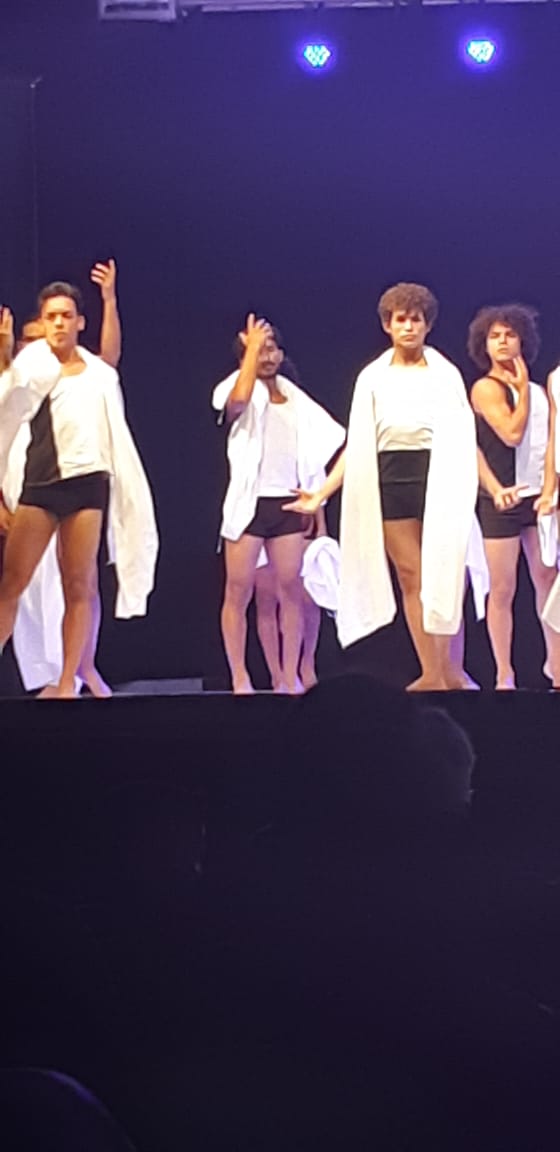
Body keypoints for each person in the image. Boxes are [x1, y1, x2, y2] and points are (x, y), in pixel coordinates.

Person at [285, 283, 478, 690]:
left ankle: (451, 669)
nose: (408, 327)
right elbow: (359, 443)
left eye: (415, 319)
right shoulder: (372, 377)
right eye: (400, 319)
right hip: (390, 478)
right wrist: (322, 493)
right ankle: (431, 671)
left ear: (427, 325)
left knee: (446, 574)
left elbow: (465, 437)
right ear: (388, 325)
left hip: (438, 477)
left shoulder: (445, 374)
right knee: (411, 575)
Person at [0, 280, 157, 698]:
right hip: (41, 485)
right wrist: (5, 355)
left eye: (66, 316)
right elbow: (6, 406)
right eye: (51, 317)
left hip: (86, 486)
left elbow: (112, 356)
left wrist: (110, 299)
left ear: (79, 322)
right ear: (41, 322)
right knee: (12, 583)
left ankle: (69, 680)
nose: (58, 324)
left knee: (79, 585)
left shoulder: (98, 374)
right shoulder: (31, 368)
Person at [213, 314, 345, 694]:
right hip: (250, 505)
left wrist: (317, 501)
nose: (267, 356)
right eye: (259, 351)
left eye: (271, 349)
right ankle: (240, 675)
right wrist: (251, 350)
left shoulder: (296, 398)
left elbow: (326, 447)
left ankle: (289, 676)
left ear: (282, 354)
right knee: (239, 591)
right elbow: (236, 404)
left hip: (288, 504)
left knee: (292, 591)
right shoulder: (235, 386)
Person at [468, 304, 560, 689]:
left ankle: (556, 665)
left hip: (537, 498)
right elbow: (511, 433)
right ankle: (504, 672)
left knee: (548, 580)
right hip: (501, 500)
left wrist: (550, 489)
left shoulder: (540, 390)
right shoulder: (486, 388)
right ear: (484, 345)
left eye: (510, 335)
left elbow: (552, 443)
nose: (503, 342)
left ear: (524, 339)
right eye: (495, 336)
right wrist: (520, 391)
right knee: (503, 588)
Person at [254, 508, 328, 692]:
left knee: (306, 600)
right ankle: (277, 675)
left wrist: (321, 527)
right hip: (257, 522)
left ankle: (306, 663)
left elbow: (315, 491)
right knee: (266, 602)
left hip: (297, 520)